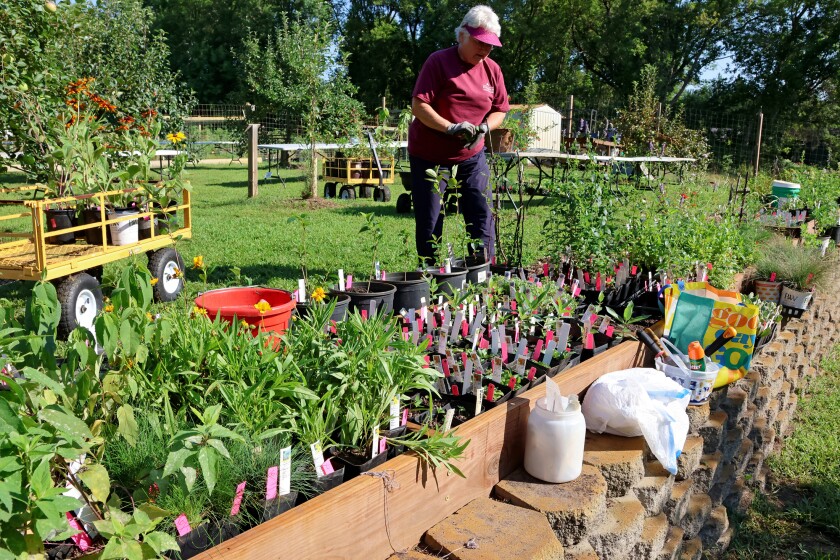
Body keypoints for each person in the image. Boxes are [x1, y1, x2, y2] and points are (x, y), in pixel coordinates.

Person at [408, 4, 509, 265]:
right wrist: (450, 127)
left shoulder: (492, 70)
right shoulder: (439, 61)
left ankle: (481, 267)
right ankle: (429, 272)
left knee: (481, 210)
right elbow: (419, 105)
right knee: (431, 216)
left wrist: (485, 127)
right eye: (479, 42)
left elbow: (500, 109)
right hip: (430, 155)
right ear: (462, 35)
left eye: (490, 45)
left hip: (471, 153)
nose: (485, 50)